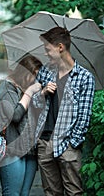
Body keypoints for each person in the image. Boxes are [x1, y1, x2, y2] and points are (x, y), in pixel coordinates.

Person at [34, 27, 95, 195]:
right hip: (45, 142)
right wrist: (42, 93)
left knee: (74, 192)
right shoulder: (45, 71)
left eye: (47, 49)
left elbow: (84, 116)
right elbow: (32, 103)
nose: (45, 54)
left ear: (60, 47)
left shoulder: (84, 77)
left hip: (68, 146)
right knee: (51, 192)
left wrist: (73, 144)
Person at [0, 54, 43, 196]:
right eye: (33, 75)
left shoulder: (25, 88)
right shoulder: (6, 87)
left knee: (24, 193)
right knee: (12, 193)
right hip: (12, 150)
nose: (35, 80)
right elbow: (14, 116)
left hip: (30, 149)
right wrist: (29, 92)